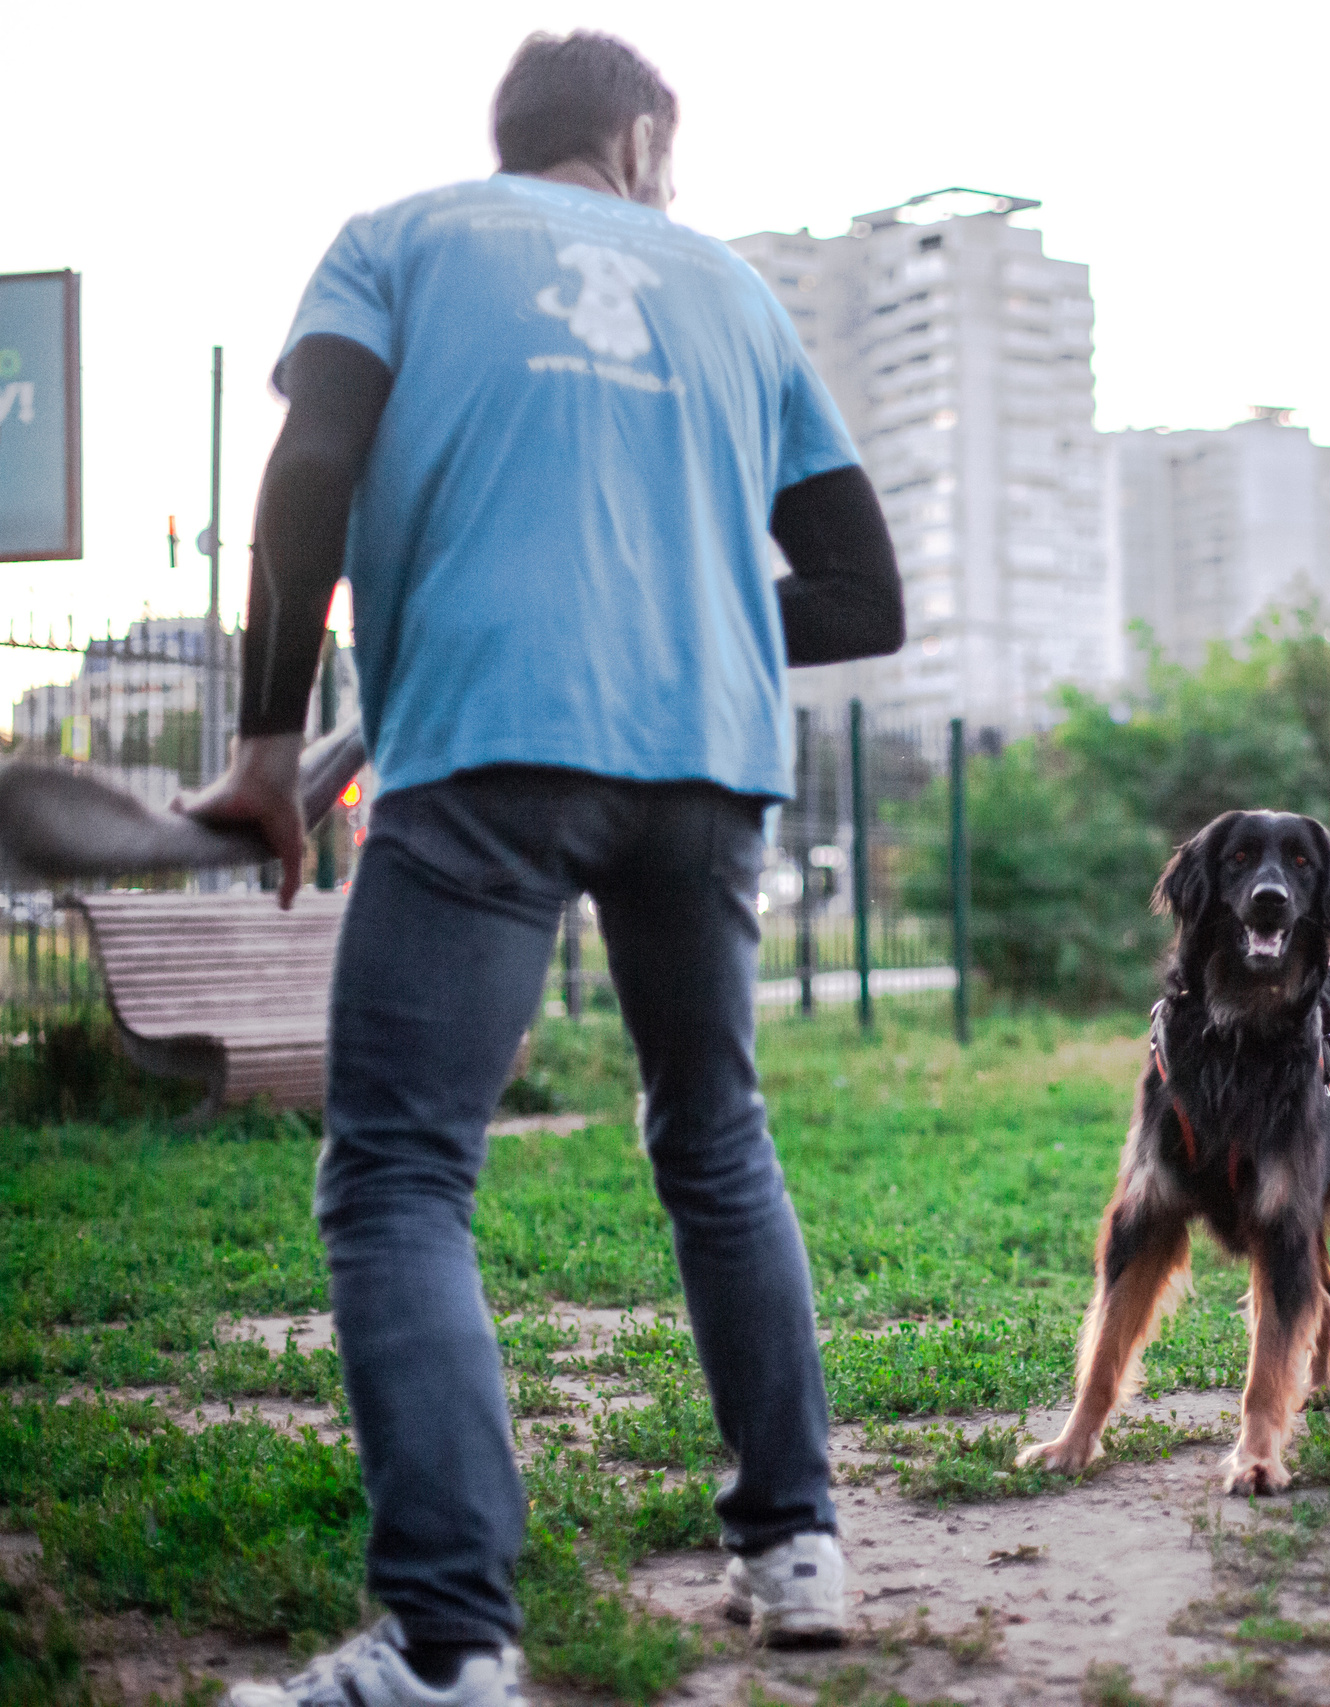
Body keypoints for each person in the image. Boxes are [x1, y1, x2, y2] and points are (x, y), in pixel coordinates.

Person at [183, 32, 903, 1707]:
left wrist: (265, 743)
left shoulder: (401, 240)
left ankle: (448, 1641)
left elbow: (306, 476)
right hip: (706, 766)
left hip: (493, 748)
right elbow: (864, 595)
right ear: (642, 137)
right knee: (716, 1138)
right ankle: (795, 1543)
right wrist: (687, 602)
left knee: (401, 1177)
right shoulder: (734, 293)